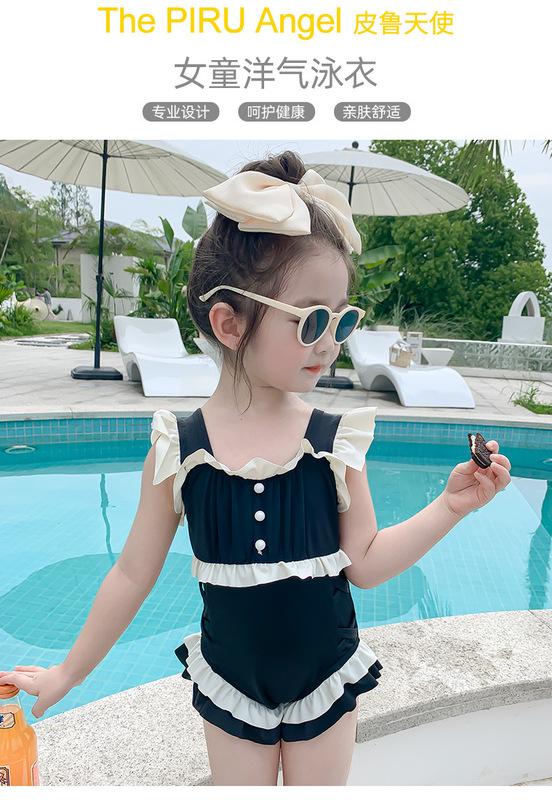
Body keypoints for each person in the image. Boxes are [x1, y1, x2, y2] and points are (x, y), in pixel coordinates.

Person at [0, 152, 512, 786]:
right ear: (229, 323)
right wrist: (68, 672)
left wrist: (451, 506)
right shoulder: (180, 449)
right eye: (312, 320)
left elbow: (366, 563)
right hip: (232, 682)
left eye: (343, 318)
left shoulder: (333, 442)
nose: (331, 342)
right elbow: (132, 573)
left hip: (325, 677)